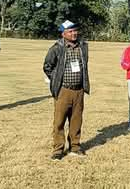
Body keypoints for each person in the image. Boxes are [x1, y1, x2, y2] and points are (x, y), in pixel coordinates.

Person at [43, 20, 90, 160]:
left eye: (75, 30)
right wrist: (56, 79)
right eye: (70, 31)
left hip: (79, 90)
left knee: (76, 120)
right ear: (63, 33)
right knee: (59, 121)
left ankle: (75, 146)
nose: (74, 33)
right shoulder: (56, 48)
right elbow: (47, 66)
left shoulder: (83, 46)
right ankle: (58, 149)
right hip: (63, 90)